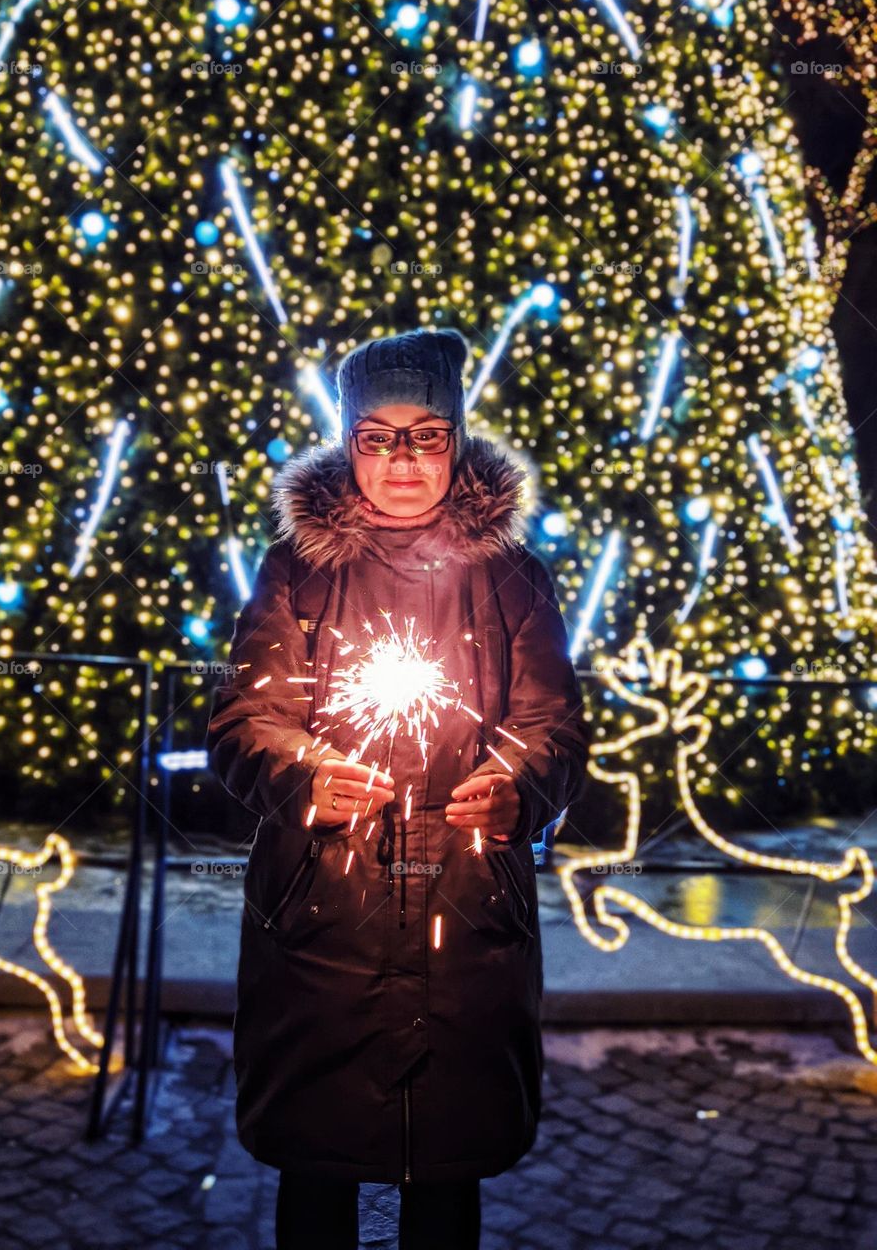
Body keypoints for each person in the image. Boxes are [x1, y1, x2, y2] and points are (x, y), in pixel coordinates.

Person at [206, 327, 591, 1249]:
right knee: (319, 1168)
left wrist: (518, 788)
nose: (403, 458)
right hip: (321, 920)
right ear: (348, 445)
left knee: (447, 1176)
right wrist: (303, 775)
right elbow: (241, 723)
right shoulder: (297, 571)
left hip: (466, 916)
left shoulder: (511, 579)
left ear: (457, 441)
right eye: (379, 436)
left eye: (425, 433)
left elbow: (556, 725)